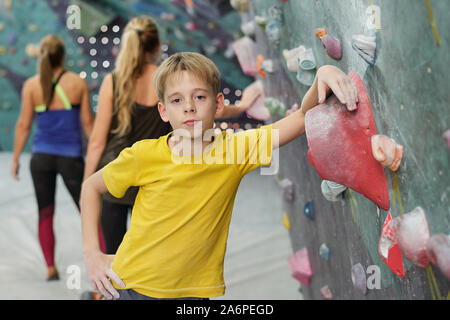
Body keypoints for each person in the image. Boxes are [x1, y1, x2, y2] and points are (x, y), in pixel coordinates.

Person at [80, 52, 358, 300]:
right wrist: (92, 255)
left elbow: (300, 119)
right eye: (177, 100)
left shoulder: (235, 151)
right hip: (131, 286)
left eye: (199, 97)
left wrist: (323, 74)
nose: (188, 106)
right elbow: (90, 187)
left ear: (218, 104)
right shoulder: (143, 155)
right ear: (163, 111)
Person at [84, 16, 262, 257]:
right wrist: (240, 107)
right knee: (151, 255)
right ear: (157, 46)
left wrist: (88, 187)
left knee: (112, 259)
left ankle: (106, 295)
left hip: (117, 176)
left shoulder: (113, 81)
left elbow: (96, 142)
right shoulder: (167, 79)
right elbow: (204, 106)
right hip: (155, 178)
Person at [11, 34, 103, 281]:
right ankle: (103, 261)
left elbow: (23, 125)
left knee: (45, 212)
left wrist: (16, 158)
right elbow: (87, 122)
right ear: (63, 55)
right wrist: (99, 153)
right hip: (70, 158)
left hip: (40, 158)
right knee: (88, 210)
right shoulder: (76, 83)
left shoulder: (32, 85)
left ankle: (51, 267)